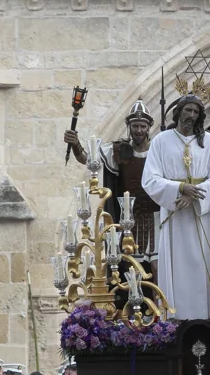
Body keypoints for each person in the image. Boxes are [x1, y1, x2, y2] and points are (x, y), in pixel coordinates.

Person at [142, 93, 210, 319]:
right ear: (178, 112)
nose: (191, 116)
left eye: (196, 112)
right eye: (188, 110)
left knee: (207, 265)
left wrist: (195, 196)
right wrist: (180, 189)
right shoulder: (161, 141)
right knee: (178, 269)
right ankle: (177, 316)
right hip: (176, 216)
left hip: (204, 216)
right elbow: (150, 180)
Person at [64, 98, 161, 266]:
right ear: (129, 127)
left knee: (158, 267)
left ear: (148, 128)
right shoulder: (117, 150)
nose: (138, 130)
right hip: (128, 221)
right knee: (131, 268)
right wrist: (75, 144)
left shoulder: (158, 150)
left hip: (156, 218)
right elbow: (87, 159)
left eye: (142, 126)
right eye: (135, 126)